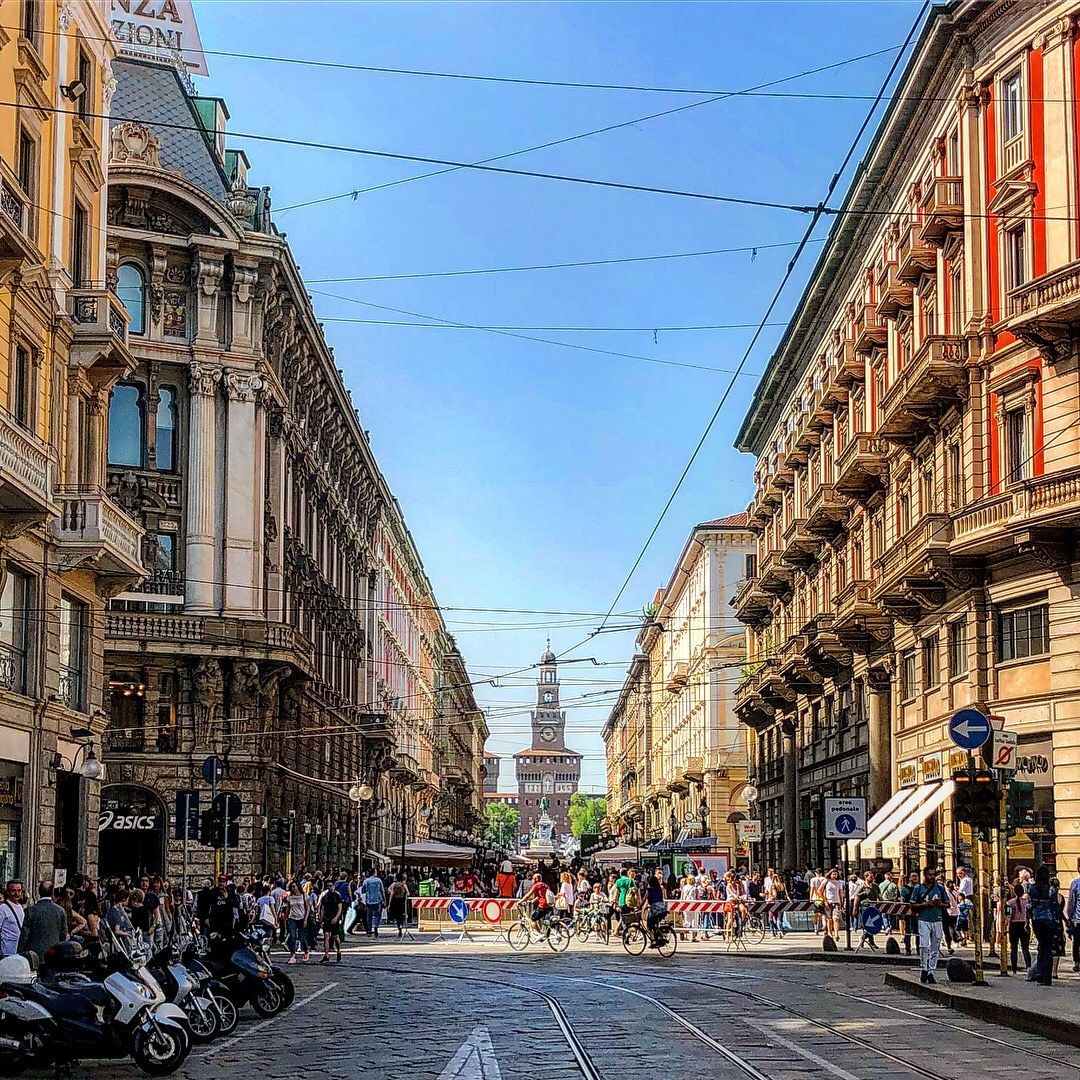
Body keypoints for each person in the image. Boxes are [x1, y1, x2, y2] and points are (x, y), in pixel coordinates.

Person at [910, 866, 949, 984]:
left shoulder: (940, 888)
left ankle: (931, 971)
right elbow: (912, 905)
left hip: (937, 919)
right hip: (923, 919)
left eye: (933, 875)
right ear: (925, 875)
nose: (932, 877)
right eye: (929, 875)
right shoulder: (918, 888)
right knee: (924, 945)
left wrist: (940, 904)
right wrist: (924, 905)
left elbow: (947, 904)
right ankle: (924, 967)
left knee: (935, 946)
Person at [19, 882, 68, 964]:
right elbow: (63, 933)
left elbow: (25, 934)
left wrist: (20, 951)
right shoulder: (60, 911)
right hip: (53, 953)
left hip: (34, 955)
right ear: (52, 892)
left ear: (39, 891)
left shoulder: (31, 910)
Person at [1027, 865, 1059, 985]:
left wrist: (1027, 921)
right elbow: (1055, 907)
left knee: (1041, 945)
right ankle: (1047, 977)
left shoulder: (1032, 889)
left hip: (1036, 921)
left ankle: (1039, 972)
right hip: (1049, 920)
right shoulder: (1051, 890)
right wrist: (1058, 921)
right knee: (1048, 948)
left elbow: (1029, 906)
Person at [1007, 883, 1032, 974]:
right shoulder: (1027, 902)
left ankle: (1014, 969)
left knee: (1014, 948)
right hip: (1024, 924)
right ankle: (1028, 967)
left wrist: (1007, 926)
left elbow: (1008, 916)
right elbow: (1029, 914)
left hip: (1014, 925)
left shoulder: (1010, 902)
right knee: (1025, 948)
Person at [316, 882, 344, 964]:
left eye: (330, 886)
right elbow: (322, 908)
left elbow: (340, 908)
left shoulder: (337, 896)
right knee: (326, 936)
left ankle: (338, 951)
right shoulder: (325, 896)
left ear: (333, 886)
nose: (329, 887)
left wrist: (336, 918)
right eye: (327, 886)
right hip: (327, 919)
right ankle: (326, 955)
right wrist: (321, 917)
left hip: (334, 919)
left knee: (336, 937)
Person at [284, 881, 310, 964]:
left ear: (298, 886)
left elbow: (307, 908)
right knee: (292, 936)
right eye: (292, 887)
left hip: (301, 918)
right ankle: (293, 955)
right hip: (292, 918)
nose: (294, 888)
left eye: (295, 886)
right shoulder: (290, 897)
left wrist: (306, 919)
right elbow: (288, 907)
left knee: (302, 938)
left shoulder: (304, 896)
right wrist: (286, 917)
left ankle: (306, 951)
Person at [0, 881, 26, 959]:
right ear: (8, 892)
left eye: (19, 890)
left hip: (18, 950)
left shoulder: (20, 907)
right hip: (6, 951)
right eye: (13, 890)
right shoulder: (2, 908)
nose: (16, 893)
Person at [360, 870, 385, 938]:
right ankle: (376, 926)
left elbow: (363, 891)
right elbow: (382, 891)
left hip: (369, 900)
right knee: (377, 915)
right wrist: (384, 900)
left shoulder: (366, 881)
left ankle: (369, 930)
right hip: (378, 900)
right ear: (374, 873)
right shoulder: (379, 880)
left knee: (369, 916)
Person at [823, 869, 845, 940]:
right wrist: (825, 900)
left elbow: (841, 893)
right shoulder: (826, 881)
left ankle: (836, 934)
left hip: (836, 902)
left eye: (836, 874)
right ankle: (830, 933)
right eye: (833, 874)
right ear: (830, 874)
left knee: (836, 918)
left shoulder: (839, 882)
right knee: (829, 919)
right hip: (828, 902)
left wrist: (842, 903)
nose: (834, 876)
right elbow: (820, 890)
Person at [1068, 860, 1080, 973]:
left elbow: (1072, 902)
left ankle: (1077, 962)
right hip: (1077, 918)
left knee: (1076, 941)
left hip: (1078, 919)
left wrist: (1070, 918)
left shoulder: (1075, 884)